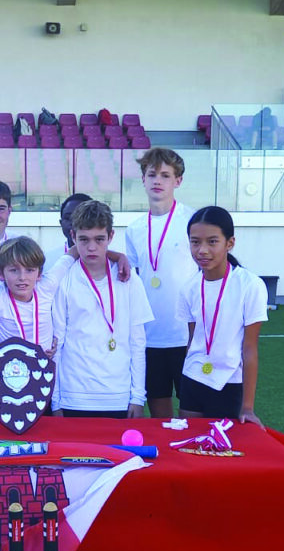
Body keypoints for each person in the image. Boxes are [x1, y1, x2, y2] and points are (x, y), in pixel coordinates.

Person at [52, 200, 153, 418]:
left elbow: (137, 342)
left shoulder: (129, 279)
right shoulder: (64, 279)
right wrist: (55, 400)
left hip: (118, 396)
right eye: (84, 239)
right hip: (74, 395)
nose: (91, 247)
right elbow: (57, 342)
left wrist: (137, 397)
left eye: (99, 239)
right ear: (72, 236)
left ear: (111, 236)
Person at [175, 206, 268, 426]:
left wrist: (247, 407)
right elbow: (193, 340)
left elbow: (249, 348)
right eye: (195, 242)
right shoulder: (189, 288)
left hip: (229, 383)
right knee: (190, 441)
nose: (202, 250)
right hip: (193, 378)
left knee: (223, 445)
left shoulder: (250, 285)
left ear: (230, 243)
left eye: (212, 242)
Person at [123, 147, 196, 419]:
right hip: (150, 335)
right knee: (160, 414)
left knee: (192, 411)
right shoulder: (135, 229)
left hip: (187, 334)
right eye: (152, 174)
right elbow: (134, 277)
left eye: (165, 175)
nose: (157, 181)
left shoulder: (192, 221)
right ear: (143, 179)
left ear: (178, 181)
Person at [42, 192, 90, 264]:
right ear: (61, 223)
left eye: (81, 217)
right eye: (68, 218)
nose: (74, 223)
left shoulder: (107, 260)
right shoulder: (47, 260)